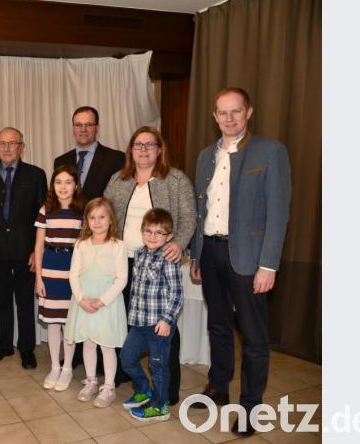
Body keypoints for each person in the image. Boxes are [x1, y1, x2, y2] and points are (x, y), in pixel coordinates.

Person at [190, 87, 291, 437]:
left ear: (249, 112)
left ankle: (251, 405)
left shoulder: (271, 151)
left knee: (253, 337)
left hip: (248, 259)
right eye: (222, 112)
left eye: (236, 111)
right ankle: (218, 386)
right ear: (214, 116)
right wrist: (196, 253)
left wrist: (269, 264)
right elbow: (199, 209)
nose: (229, 118)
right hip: (211, 252)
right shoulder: (205, 155)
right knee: (217, 325)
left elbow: (278, 213)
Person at [103, 125, 195, 404]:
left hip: (159, 264)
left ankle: (168, 389)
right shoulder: (118, 179)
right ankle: (132, 380)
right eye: (138, 144)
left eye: (149, 144)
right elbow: (105, 215)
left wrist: (178, 243)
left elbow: (189, 217)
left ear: (159, 149)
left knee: (163, 329)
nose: (143, 149)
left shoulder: (176, 179)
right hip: (124, 262)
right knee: (129, 324)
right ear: (131, 150)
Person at [0, 127, 47, 369]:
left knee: (26, 301)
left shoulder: (36, 175)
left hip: (25, 251)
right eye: (1, 143)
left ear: (21, 147)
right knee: (2, 301)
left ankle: (26, 348)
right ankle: (4, 345)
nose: (6, 148)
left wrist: (37, 252)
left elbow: (42, 216)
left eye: (11, 143)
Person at [121, 208, 184, 422]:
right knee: (127, 359)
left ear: (169, 236)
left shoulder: (169, 257)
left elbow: (176, 293)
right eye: (148, 231)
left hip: (159, 325)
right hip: (139, 322)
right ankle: (142, 389)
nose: (152, 236)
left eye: (159, 233)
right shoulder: (139, 253)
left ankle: (160, 406)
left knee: (158, 365)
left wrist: (167, 320)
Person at [65, 197, 128, 408]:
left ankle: (108, 386)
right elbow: (73, 275)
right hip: (83, 303)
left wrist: (101, 301)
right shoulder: (81, 244)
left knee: (107, 346)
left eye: (102, 217)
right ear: (86, 221)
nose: (97, 222)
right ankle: (91, 380)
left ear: (110, 219)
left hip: (106, 305)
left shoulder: (118, 246)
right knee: (89, 343)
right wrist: (81, 299)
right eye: (92, 217)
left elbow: (122, 279)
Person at [34, 166, 86, 391]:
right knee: (53, 323)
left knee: (69, 324)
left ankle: (67, 369)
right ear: (52, 186)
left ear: (76, 185)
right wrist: (38, 278)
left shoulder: (83, 211)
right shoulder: (46, 209)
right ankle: (55, 366)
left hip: (73, 272)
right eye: (58, 182)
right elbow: (38, 246)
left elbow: (87, 247)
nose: (63, 187)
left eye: (67, 182)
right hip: (50, 269)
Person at [53, 106, 126, 200]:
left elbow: (119, 197)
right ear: (73, 128)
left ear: (97, 128)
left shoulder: (116, 159)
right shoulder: (60, 161)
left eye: (88, 125)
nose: (83, 129)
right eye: (78, 125)